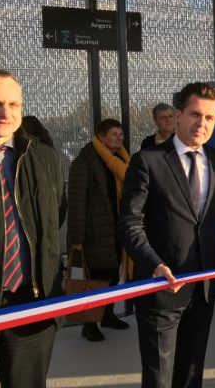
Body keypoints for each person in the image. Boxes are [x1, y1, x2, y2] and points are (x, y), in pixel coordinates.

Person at [118, 82, 215, 387]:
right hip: (160, 288)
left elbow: (207, 222)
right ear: (178, 114)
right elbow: (129, 224)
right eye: (195, 114)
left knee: (192, 374)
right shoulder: (148, 160)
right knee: (159, 378)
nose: (201, 123)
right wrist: (154, 263)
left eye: (210, 118)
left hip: (203, 287)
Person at [0, 69, 66, 387]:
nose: (5, 112)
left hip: (31, 300)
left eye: (14, 104)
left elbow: (57, 215)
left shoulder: (45, 157)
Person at [68, 118, 131, 342]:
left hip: (116, 229)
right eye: (114, 134)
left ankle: (108, 315)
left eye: (121, 134)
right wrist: (77, 238)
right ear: (101, 136)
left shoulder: (119, 160)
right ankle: (89, 323)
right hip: (94, 232)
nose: (119, 138)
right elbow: (76, 202)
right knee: (95, 279)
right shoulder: (84, 162)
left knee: (113, 275)